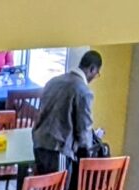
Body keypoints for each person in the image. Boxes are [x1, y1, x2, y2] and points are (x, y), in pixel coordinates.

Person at [32, 50, 103, 178]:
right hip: (58, 149)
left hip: (39, 144)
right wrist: (87, 153)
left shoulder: (53, 81)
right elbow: (84, 128)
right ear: (92, 69)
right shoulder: (83, 91)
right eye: (96, 73)